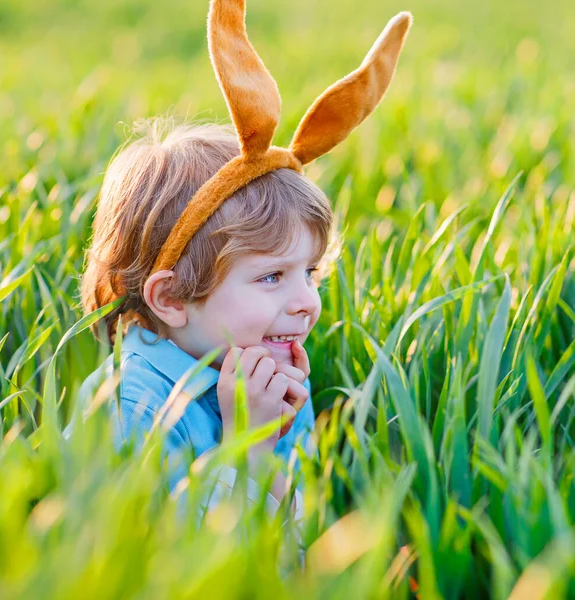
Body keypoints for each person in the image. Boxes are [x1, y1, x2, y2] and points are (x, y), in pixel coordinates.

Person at [67, 0, 412, 523]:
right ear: (172, 297)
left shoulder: (264, 372)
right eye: (272, 276)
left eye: (310, 272)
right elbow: (176, 567)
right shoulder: (131, 408)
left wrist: (274, 437)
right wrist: (246, 447)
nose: (307, 303)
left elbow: (295, 535)